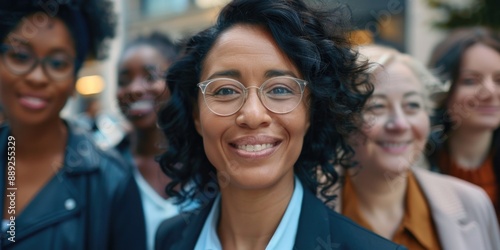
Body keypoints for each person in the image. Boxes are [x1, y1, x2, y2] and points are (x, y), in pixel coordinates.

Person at [154, 0, 407, 249]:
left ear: (311, 112)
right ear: (196, 115)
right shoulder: (170, 237)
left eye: (279, 89)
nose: (253, 115)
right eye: (225, 91)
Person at [0, 1, 146, 249]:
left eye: (58, 63)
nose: (37, 77)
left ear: (74, 79)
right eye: (21, 56)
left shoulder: (111, 181)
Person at [330, 44, 500, 249]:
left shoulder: (472, 203)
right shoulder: (306, 207)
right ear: (343, 119)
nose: (400, 124)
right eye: (377, 106)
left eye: (412, 105)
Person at [116, 32, 191, 250]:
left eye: (150, 77)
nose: (134, 89)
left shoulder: (208, 163)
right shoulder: (107, 171)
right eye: (123, 81)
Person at [427, 27, 500, 222]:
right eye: (470, 81)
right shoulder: (417, 164)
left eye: (499, 80)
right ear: (443, 90)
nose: (490, 92)